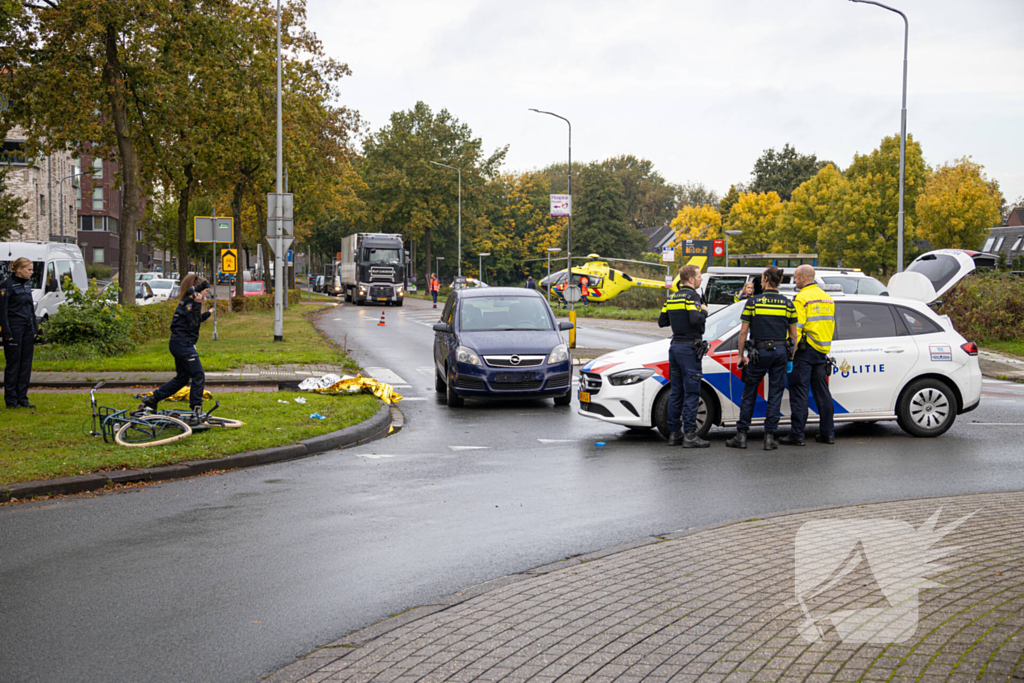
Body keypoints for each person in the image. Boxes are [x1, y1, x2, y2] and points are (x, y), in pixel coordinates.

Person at [726, 266, 798, 451]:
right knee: (775, 393)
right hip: (780, 352)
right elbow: (794, 336)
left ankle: (741, 436)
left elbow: (743, 332)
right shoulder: (788, 304)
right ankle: (769, 438)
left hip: (758, 353)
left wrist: (741, 355)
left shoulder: (753, 302)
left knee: (749, 392)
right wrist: (790, 357)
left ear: (766, 279)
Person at [140, 274, 211, 420]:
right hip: (183, 344)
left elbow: (193, 320)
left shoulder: (187, 302)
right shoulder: (190, 303)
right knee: (198, 375)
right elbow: (192, 322)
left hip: (179, 343)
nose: (206, 292)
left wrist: (207, 314)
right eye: (205, 289)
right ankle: (196, 408)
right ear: (197, 288)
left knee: (183, 377)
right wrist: (198, 304)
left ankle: (153, 399)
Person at [781, 265, 836, 446]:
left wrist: (791, 354)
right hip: (821, 351)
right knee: (822, 394)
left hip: (804, 352)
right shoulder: (828, 298)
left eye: (796, 278)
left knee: (799, 393)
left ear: (803, 278)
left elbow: (796, 330)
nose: (794, 281)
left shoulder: (801, 299)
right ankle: (828, 433)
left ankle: (797, 435)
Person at [658, 264, 709, 448]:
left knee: (676, 392)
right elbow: (696, 319)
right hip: (689, 349)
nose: (701, 279)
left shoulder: (671, 298)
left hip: (675, 347)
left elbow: (662, 322)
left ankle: (674, 434)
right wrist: (704, 310)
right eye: (699, 276)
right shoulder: (693, 297)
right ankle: (689, 434)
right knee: (692, 392)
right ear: (690, 279)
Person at [1, 257, 39, 409]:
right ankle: (11, 400)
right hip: (14, 328)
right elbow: (2, 312)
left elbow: (30, 308)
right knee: (14, 364)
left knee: (26, 364)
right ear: (19, 270)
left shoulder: (27, 285)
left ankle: (22, 397)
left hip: (27, 328)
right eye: (29, 270)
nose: (31, 272)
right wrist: (6, 332)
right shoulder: (7, 286)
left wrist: (35, 328)